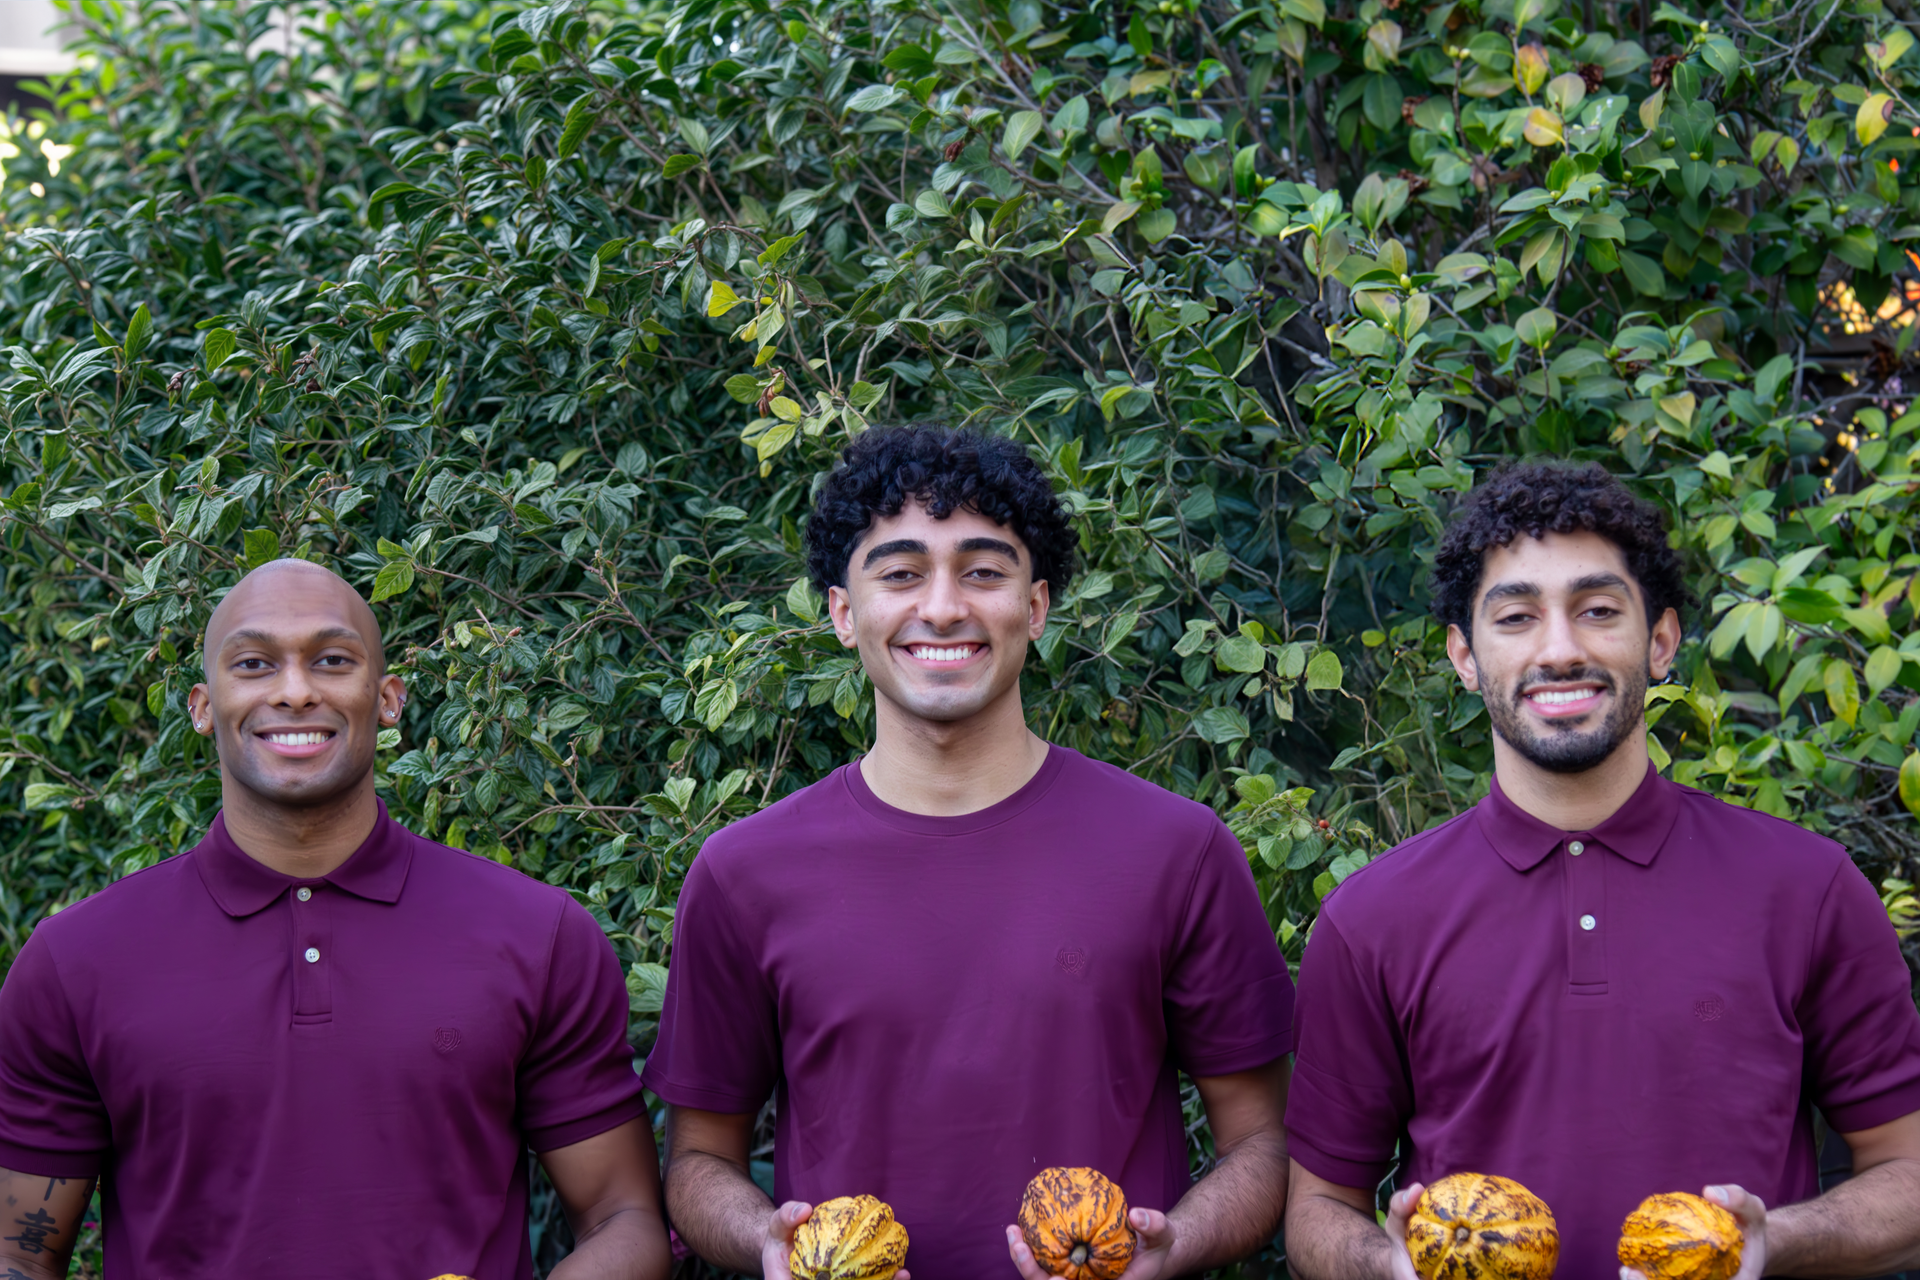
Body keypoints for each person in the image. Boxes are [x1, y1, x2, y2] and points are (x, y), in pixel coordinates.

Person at [643, 425, 1295, 1280]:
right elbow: (698, 1162)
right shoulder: (745, 873)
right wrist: (766, 1241)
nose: (944, 607)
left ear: (1036, 606)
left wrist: (1180, 1247)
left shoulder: (1177, 849)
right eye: (902, 574)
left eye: (984, 572)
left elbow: (1265, 1140)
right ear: (845, 613)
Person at [1282, 462, 1920, 1280]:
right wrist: (1386, 1265)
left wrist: (1771, 1244)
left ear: (1659, 642)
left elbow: (1906, 1176)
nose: (1560, 649)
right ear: (1465, 657)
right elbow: (1316, 1211)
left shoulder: (1807, 887)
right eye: (1515, 617)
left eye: (1597, 611)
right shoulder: (1372, 919)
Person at [0, 559, 670, 1280]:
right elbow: (19, 1254)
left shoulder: (537, 935)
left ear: (387, 698)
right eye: (254, 664)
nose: (295, 691)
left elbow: (624, 1220)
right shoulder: (78, 961)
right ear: (202, 705)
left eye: (332, 660)